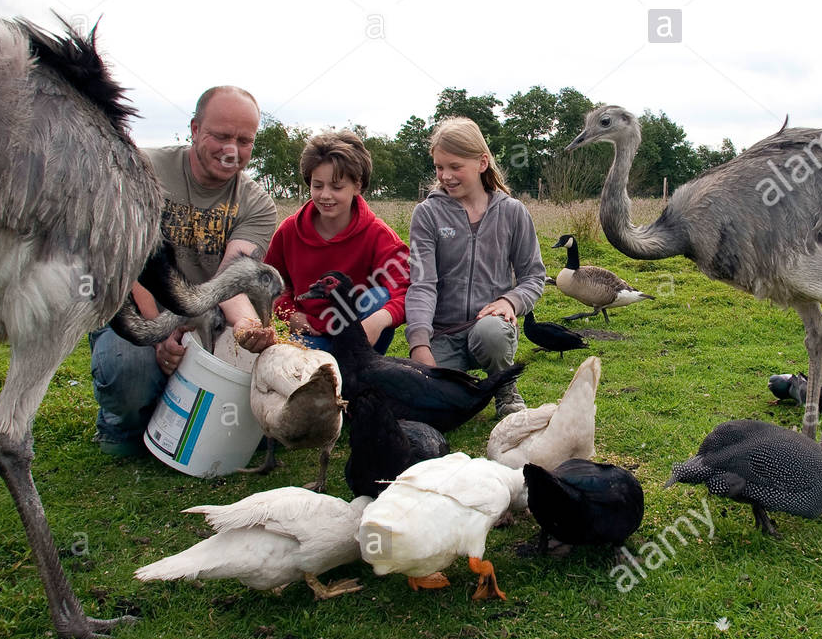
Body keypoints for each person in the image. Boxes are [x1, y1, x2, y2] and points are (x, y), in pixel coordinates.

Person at [89, 86, 279, 456]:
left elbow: (233, 278)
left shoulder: (257, 204)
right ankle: (122, 422)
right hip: (138, 305)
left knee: (253, 366)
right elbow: (126, 264)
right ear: (194, 129)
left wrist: (245, 327)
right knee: (128, 370)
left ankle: (186, 417)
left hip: (209, 312)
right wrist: (161, 330)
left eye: (244, 140)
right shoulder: (141, 172)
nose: (231, 151)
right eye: (221, 136)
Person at [404, 116, 545, 417]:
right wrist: (419, 344)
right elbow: (422, 284)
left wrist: (511, 300)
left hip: (490, 328)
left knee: (491, 334)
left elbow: (533, 276)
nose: (446, 176)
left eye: (455, 167)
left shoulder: (513, 212)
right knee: (435, 409)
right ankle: (464, 386)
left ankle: (505, 389)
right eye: (440, 167)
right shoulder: (426, 215)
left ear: (482, 162)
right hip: (443, 333)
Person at [265, 130, 409, 352]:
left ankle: (361, 375)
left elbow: (404, 288)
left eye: (336, 187)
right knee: (312, 375)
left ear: (357, 186)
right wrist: (290, 314)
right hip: (311, 331)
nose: (325, 195)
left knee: (379, 296)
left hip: (359, 330)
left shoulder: (378, 234)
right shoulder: (289, 231)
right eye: (318, 185)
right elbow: (271, 283)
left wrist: (378, 321)